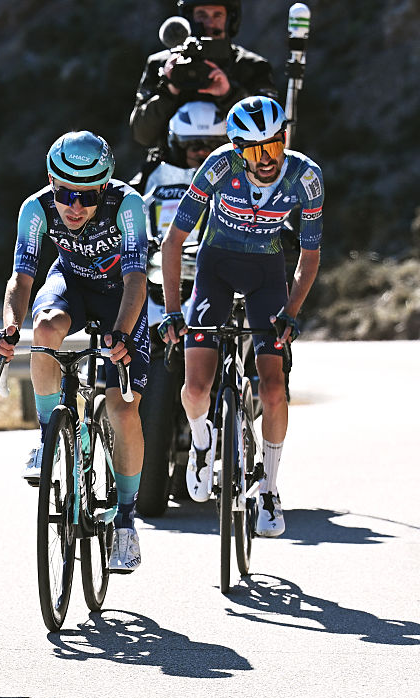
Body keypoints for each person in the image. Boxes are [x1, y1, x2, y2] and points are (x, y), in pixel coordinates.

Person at [158, 96, 324, 537]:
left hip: (267, 274)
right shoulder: (217, 167)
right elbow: (173, 242)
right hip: (214, 268)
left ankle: (268, 487)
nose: (266, 158)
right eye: (253, 150)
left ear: (284, 138)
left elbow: (310, 253)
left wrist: (291, 311)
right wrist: (174, 310)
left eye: (274, 145)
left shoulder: (306, 177)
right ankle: (200, 444)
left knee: (272, 389)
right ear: (236, 150)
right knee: (195, 389)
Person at [0, 131, 150, 572]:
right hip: (73, 285)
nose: (75, 207)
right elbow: (22, 279)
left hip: (122, 295)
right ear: (50, 181)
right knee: (44, 329)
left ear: (104, 188)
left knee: (122, 408)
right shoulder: (36, 209)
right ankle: (51, 437)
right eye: (65, 194)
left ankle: (124, 521)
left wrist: (120, 334)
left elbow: (137, 279)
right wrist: (10, 325)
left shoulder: (128, 205)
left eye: (87, 197)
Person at [130, 1, 278, 168]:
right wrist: (169, 88)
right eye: (202, 15)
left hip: (237, 170)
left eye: (217, 15)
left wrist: (229, 94)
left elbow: (270, 135)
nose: (209, 23)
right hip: (168, 171)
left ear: (231, 19)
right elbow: (142, 134)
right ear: (188, 18)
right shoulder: (162, 64)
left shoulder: (253, 67)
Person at [143, 100, 227, 195]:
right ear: (178, 149)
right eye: (195, 146)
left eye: (213, 145)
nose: (202, 152)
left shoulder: (237, 181)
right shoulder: (154, 175)